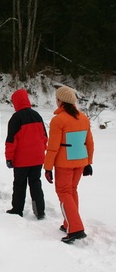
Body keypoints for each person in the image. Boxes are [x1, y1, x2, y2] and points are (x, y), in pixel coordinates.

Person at [44, 85, 94, 244]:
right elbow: (90, 143)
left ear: (60, 101)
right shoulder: (84, 117)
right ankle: (68, 223)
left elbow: (53, 146)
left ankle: (76, 229)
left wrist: (47, 167)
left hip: (64, 163)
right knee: (72, 191)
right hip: (80, 160)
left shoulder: (58, 120)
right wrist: (88, 163)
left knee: (64, 192)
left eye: (56, 99)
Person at [5, 89, 47, 219]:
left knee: (19, 184)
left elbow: (11, 141)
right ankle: (39, 211)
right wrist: (41, 151)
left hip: (22, 160)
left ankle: (17, 209)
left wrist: (9, 158)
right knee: (35, 183)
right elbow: (45, 137)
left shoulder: (16, 118)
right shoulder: (37, 115)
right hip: (38, 158)